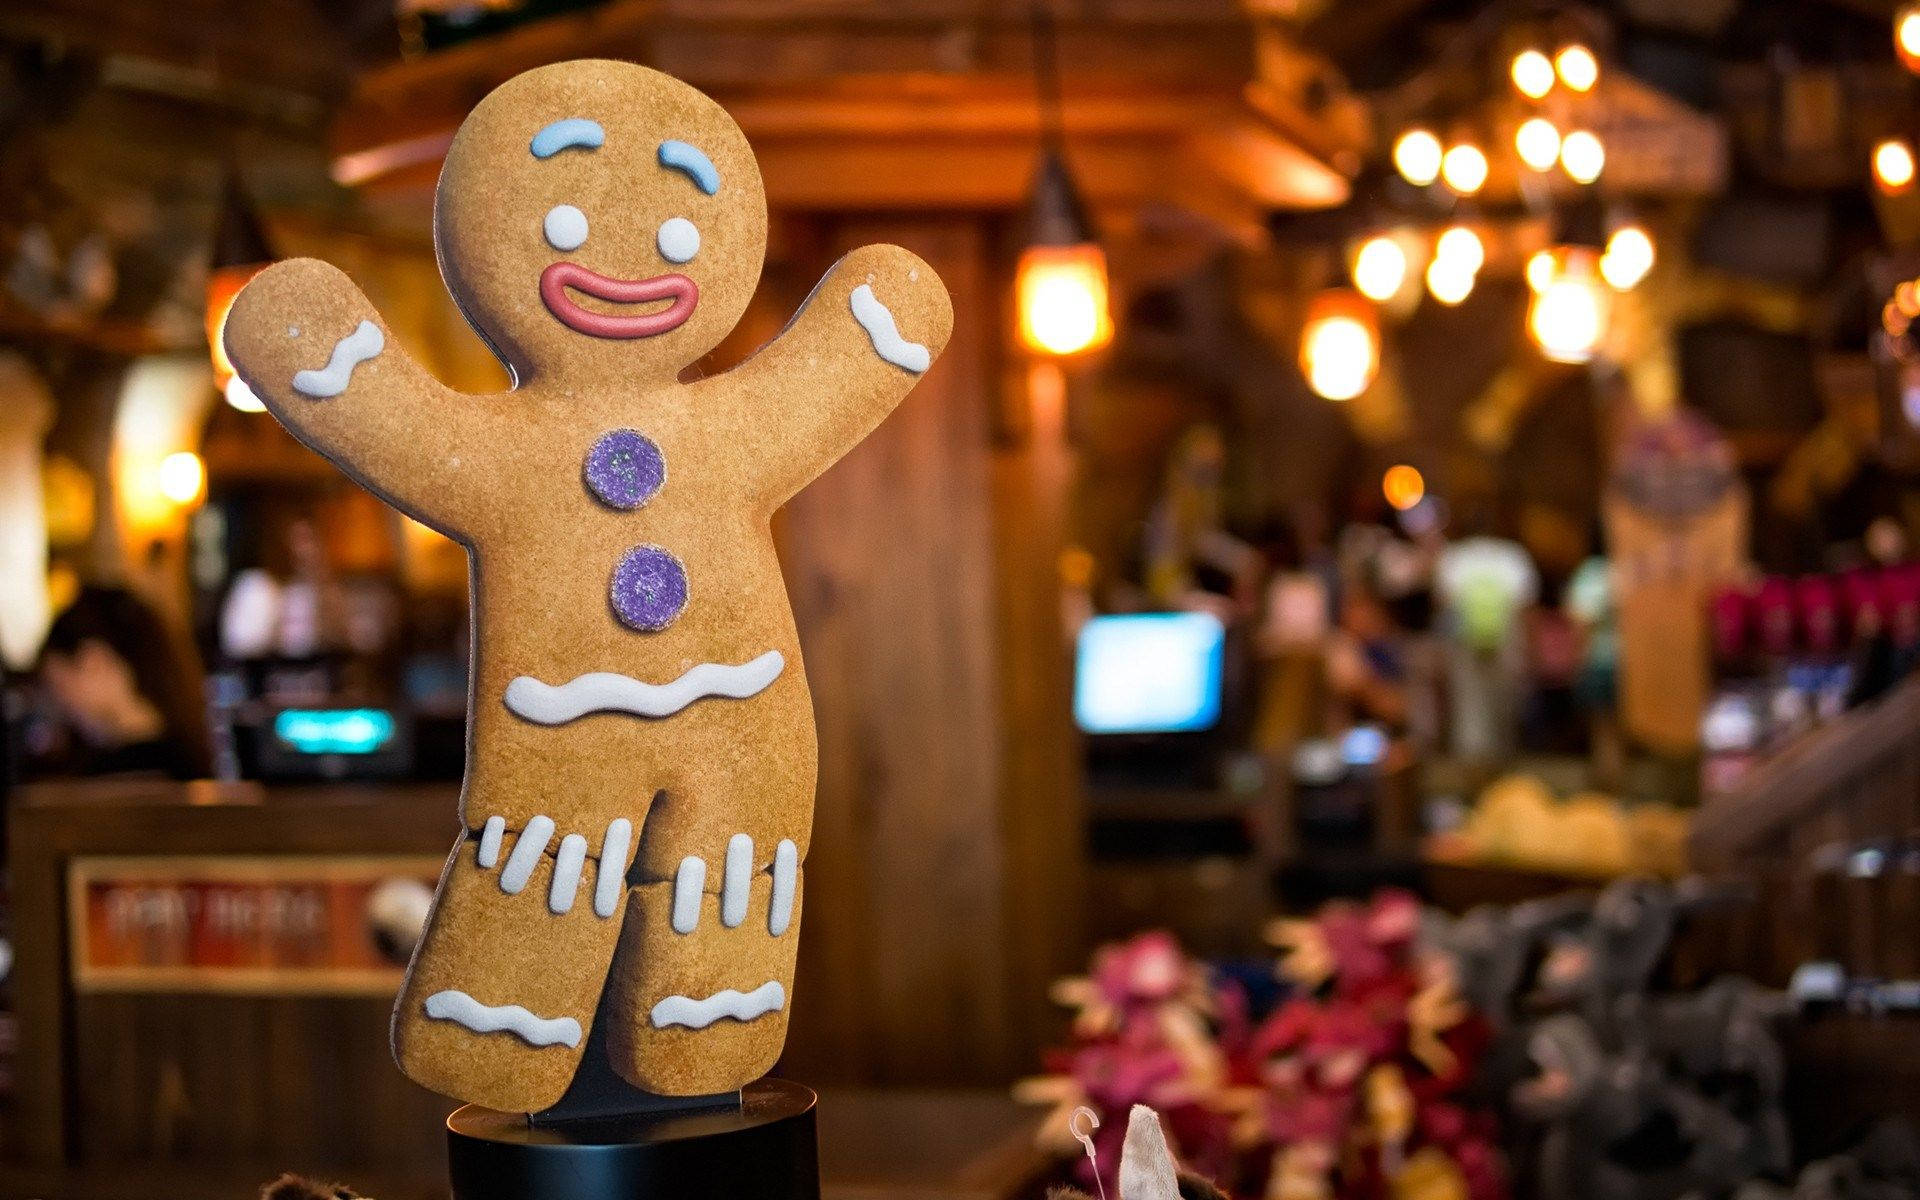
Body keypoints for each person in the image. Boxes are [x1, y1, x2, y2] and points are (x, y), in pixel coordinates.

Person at [26, 586, 211, 779]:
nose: (62, 704)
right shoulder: (190, 758)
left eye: (59, 685)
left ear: (93, 662)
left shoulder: (113, 776)